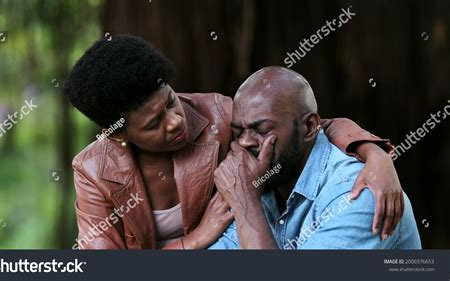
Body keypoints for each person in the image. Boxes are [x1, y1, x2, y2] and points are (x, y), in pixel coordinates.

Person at [64, 35, 403, 249]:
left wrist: (374, 155)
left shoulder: (215, 116)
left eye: (170, 100)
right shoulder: (94, 170)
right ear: (120, 133)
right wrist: (193, 240)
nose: (176, 120)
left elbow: (305, 125)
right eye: (155, 123)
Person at [210, 67, 421, 249]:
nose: (245, 142)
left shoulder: (358, 196)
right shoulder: (255, 183)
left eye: (262, 129)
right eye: (238, 133)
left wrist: (246, 203)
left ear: (309, 127)